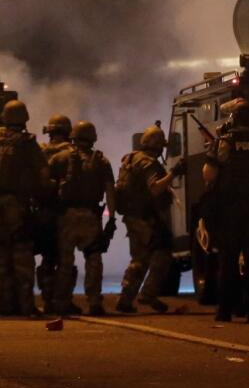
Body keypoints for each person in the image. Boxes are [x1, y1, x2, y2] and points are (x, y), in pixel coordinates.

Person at [0, 99, 48, 317]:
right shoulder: (27, 142)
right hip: (18, 205)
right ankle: (26, 307)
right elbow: (43, 174)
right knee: (22, 257)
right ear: (24, 118)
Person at [203, 100, 249, 323]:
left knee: (228, 260)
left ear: (234, 119)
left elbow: (209, 174)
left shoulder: (224, 141)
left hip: (230, 208)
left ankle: (225, 310)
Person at [49, 120, 116, 316]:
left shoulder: (59, 158)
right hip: (90, 217)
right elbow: (110, 193)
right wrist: (112, 218)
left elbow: (45, 186)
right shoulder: (102, 162)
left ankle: (62, 302)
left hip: (66, 217)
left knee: (65, 262)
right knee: (94, 260)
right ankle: (94, 302)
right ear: (93, 138)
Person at [115, 124, 183, 314]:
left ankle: (125, 299)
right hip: (145, 218)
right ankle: (148, 293)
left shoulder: (132, 159)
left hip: (134, 216)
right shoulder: (148, 162)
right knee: (163, 251)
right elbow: (154, 188)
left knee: (140, 258)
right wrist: (174, 173)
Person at [36, 114, 73, 314]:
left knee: (47, 258)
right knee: (65, 261)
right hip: (64, 213)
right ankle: (63, 300)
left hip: (42, 213)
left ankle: (48, 299)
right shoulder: (71, 153)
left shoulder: (39, 152)